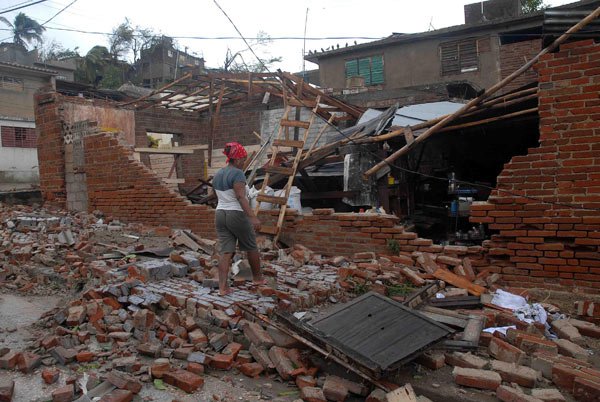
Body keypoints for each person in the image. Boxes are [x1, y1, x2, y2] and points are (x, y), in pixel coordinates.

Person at [213, 142, 265, 295]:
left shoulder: (218, 174)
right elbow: (240, 197)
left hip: (220, 214)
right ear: (235, 159)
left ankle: (223, 288)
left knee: (226, 252)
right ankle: (257, 278)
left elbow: (214, 194)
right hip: (235, 214)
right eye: (242, 159)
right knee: (251, 246)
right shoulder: (237, 173)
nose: (243, 162)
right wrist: (253, 217)